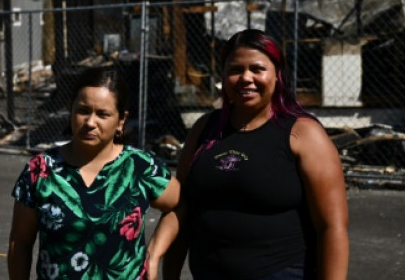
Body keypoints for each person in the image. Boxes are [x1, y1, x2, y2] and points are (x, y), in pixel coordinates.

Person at [147, 29, 349, 280]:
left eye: (257, 68)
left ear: (277, 75)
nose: (246, 78)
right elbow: (182, 208)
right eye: (235, 70)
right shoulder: (204, 129)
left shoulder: (304, 134)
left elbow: (332, 227)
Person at [8, 66, 181, 279]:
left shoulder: (140, 167)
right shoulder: (41, 170)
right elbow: (20, 242)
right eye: (83, 110)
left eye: (102, 114)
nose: (90, 122)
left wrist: (154, 254)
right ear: (70, 110)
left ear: (121, 120)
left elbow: (181, 205)